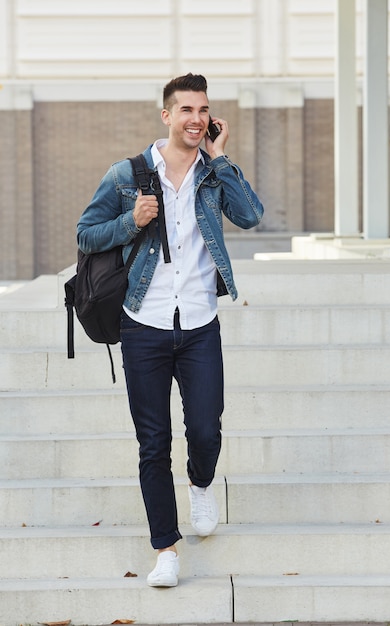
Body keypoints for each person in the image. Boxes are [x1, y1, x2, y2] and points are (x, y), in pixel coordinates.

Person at [77, 73, 264, 587]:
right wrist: (130, 222)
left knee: (205, 429)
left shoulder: (212, 173)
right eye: (186, 110)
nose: (196, 119)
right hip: (144, 324)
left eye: (203, 110)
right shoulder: (128, 174)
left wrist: (221, 156)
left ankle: (201, 483)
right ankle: (166, 548)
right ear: (166, 115)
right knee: (153, 443)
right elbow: (85, 233)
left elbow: (251, 216)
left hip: (200, 323)